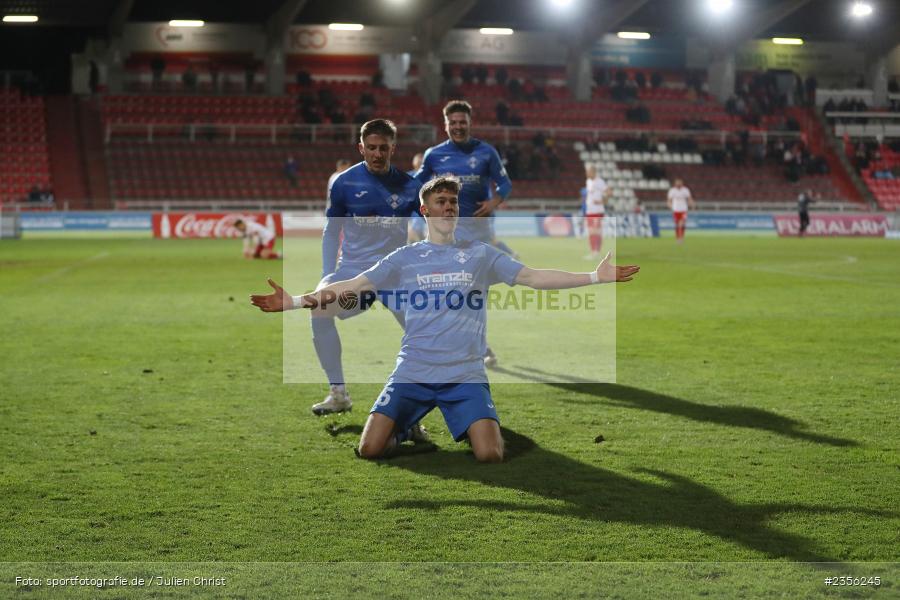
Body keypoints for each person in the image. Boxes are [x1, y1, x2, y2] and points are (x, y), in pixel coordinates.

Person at [251, 176, 640, 462]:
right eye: (440, 202)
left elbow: (533, 277)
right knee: (370, 449)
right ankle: (404, 426)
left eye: (453, 202)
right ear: (425, 210)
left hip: (464, 373)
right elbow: (352, 285)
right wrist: (295, 302)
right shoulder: (403, 258)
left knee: (490, 454)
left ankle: (465, 421)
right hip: (414, 370)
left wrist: (594, 277)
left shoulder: (480, 254)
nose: (448, 208)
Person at [310, 119, 423, 416]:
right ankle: (338, 394)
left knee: (423, 336)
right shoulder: (343, 182)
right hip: (354, 272)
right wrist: (327, 275)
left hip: (396, 274)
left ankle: (411, 412)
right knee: (319, 309)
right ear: (361, 148)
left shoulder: (410, 186)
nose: (377, 153)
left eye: (383, 147)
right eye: (371, 147)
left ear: (393, 148)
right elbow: (331, 231)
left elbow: (434, 225)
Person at [415, 100, 512, 368]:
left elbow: (505, 183)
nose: (458, 127)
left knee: (473, 290)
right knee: (447, 289)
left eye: (462, 122)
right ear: (445, 125)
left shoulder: (486, 152)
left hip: (477, 232)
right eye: (453, 123)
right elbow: (416, 184)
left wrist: (494, 202)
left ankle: (478, 345)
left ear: (470, 122)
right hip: (443, 234)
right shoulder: (433, 155)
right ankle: (461, 343)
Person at [584, 164, 612, 259]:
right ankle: (593, 252)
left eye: (588, 171)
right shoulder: (588, 181)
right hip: (590, 211)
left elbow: (609, 192)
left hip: (597, 211)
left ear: (593, 172)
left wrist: (603, 201)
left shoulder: (599, 182)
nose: (586, 173)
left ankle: (597, 252)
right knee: (591, 232)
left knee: (596, 231)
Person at [666, 178, 695, 244]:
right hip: (675, 209)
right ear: (675, 183)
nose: (678, 184)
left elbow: (689, 198)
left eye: (680, 182)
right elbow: (669, 200)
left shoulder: (685, 190)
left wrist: (692, 204)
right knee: (676, 225)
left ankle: (681, 238)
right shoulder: (672, 190)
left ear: (682, 183)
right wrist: (670, 206)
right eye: (677, 183)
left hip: (683, 209)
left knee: (682, 224)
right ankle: (677, 238)